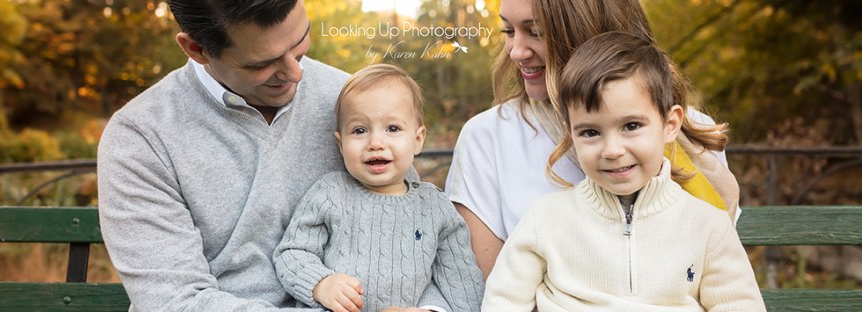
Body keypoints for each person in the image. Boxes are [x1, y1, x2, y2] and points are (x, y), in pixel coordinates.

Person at [97, 1, 444, 311]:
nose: (296, 74)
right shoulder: (141, 137)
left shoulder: (354, 105)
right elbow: (176, 301)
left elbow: (420, 231)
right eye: (262, 64)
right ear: (197, 49)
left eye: (300, 45)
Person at [444, 0, 740, 279]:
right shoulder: (488, 137)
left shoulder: (691, 135)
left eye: (535, 32)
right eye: (508, 31)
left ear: (589, 32)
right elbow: (490, 293)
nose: (516, 52)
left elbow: (719, 277)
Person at [481, 31, 766, 311]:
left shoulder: (708, 225)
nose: (612, 150)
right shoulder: (545, 219)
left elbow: (740, 304)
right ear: (570, 133)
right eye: (590, 132)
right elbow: (503, 301)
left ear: (670, 125)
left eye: (631, 126)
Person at [273, 64, 484, 312]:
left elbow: (464, 286)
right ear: (341, 144)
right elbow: (291, 252)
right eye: (359, 130)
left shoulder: (435, 207)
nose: (375, 142)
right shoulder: (330, 193)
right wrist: (321, 283)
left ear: (417, 140)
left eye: (392, 129)